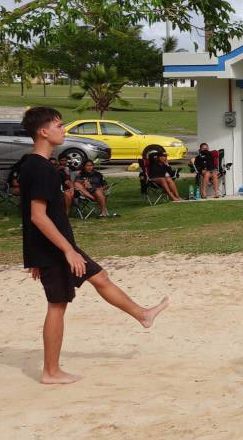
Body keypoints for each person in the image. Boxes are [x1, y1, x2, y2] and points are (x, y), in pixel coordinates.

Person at [19, 107, 168, 384]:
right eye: (59, 125)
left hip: (54, 245)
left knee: (99, 276)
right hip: (56, 247)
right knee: (57, 305)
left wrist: (38, 255)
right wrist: (65, 250)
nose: (64, 130)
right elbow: (36, 217)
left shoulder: (34, 164)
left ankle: (142, 314)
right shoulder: (39, 168)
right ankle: (50, 371)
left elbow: (35, 216)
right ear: (43, 131)